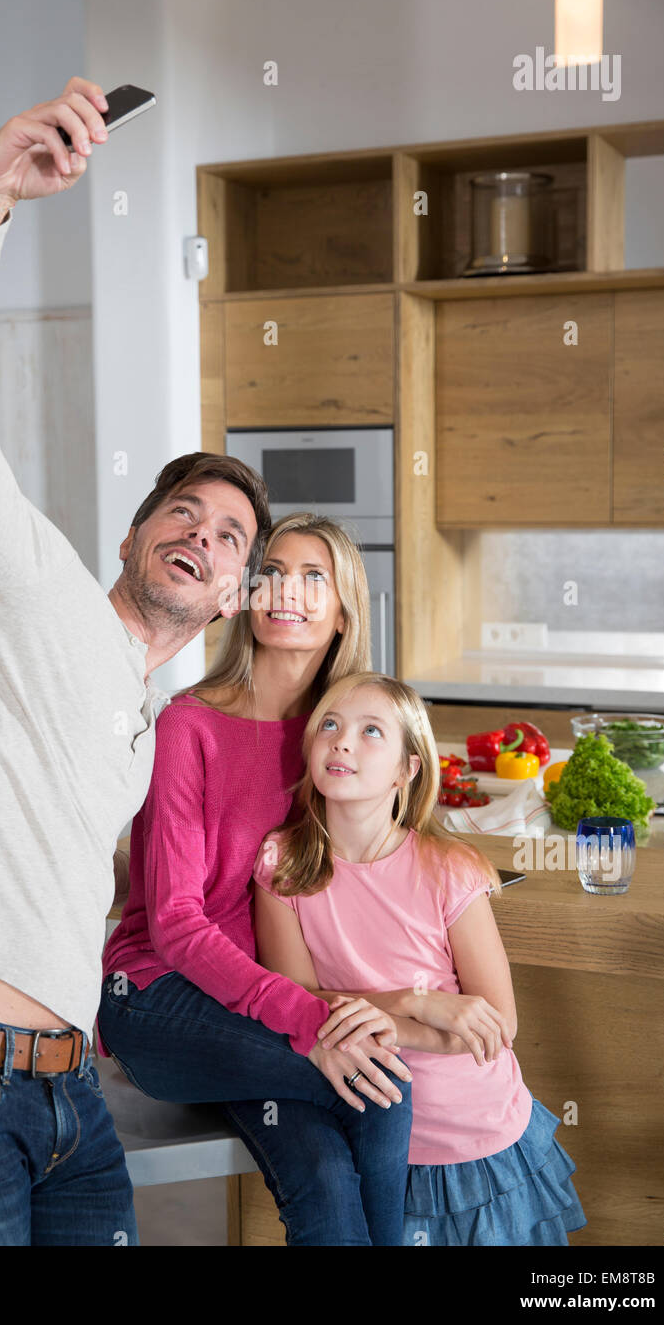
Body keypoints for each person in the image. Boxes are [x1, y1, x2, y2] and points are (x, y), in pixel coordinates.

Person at [0, 76, 271, 1246]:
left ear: (235, 593)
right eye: (183, 512)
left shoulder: (146, 708)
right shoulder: (31, 588)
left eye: (230, 537)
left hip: (61, 1088)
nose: (202, 535)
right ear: (132, 536)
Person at [97, 515, 415, 1246]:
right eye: (271, 572)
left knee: (326, 1180)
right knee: (383, 1089)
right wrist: (310, 1020)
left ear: (343, 613)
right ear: (244, 594)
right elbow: (175, 924)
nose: (287, 594)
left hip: (263, 1011)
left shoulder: (341, 743)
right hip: (160, 1000)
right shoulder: (190, 725)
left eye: (314, 578)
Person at [252, 671, 588, 1246]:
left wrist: (393, 1023)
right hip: (375, 1135)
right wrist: (416, 1005)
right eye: (329, 725)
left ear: (409, 769)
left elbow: (497, 1024)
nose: (342, 741)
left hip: (478, 1135)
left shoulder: (451, 866)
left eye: (371, 731)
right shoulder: (280, 864)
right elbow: (296, 1000)